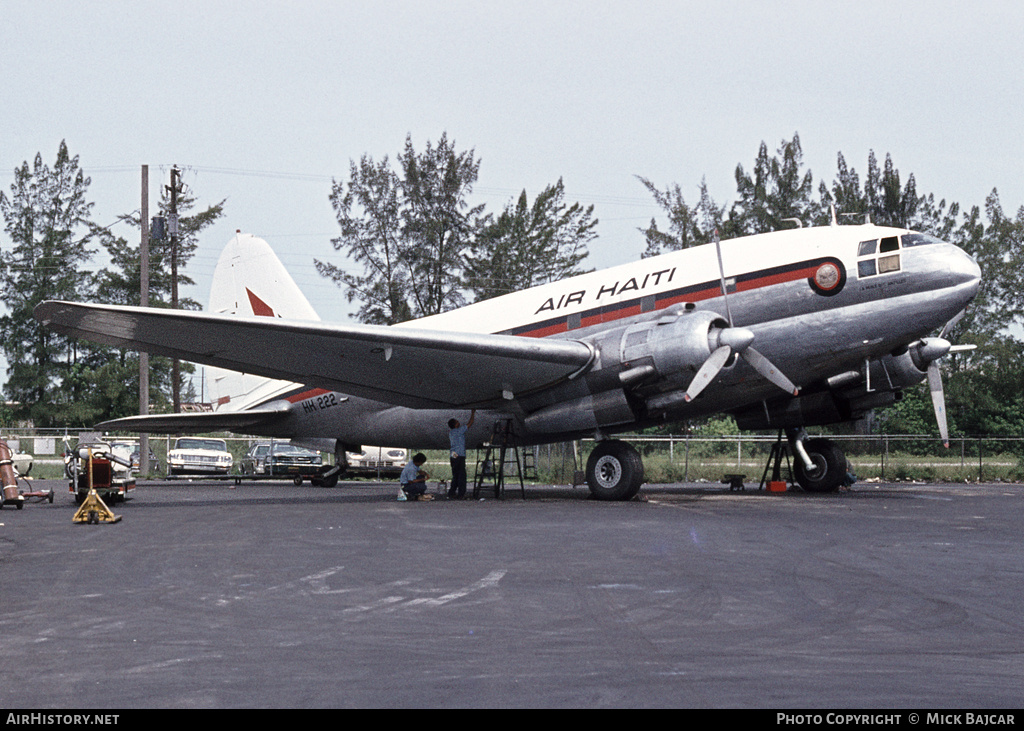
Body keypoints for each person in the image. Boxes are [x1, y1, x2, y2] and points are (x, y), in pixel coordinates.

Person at [447, 410, 475, 499]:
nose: (459, 422)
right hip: (459, 455)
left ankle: (451, 492)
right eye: (457, 421)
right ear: (455, 424)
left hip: (453, 455)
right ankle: (461, 494)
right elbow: (470, 424)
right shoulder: (459, 431)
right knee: (462, 475)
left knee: (455, 475)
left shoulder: (451, 433)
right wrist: (473, 413)